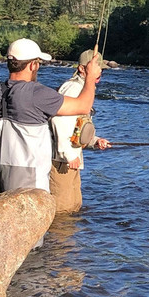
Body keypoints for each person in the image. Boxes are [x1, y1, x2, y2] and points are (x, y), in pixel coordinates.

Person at [0, 38, 102, 195]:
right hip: (30, 179)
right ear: (33, 65)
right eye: (38, 62)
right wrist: (90, 77)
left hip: (1, 173)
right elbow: (84, 106)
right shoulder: (37, 94)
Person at [49, 49, 111, 213]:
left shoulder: (83, 88)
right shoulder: (73, 88)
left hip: (70, 159)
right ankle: (58, 239)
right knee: (62, 210)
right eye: (95, 69)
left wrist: (94, 140)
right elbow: (58, 120)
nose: (99, 74)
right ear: (82, 69)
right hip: (62, 160)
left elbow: (77, 125)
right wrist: (68, 154)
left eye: (101, 70)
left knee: (74, 207)